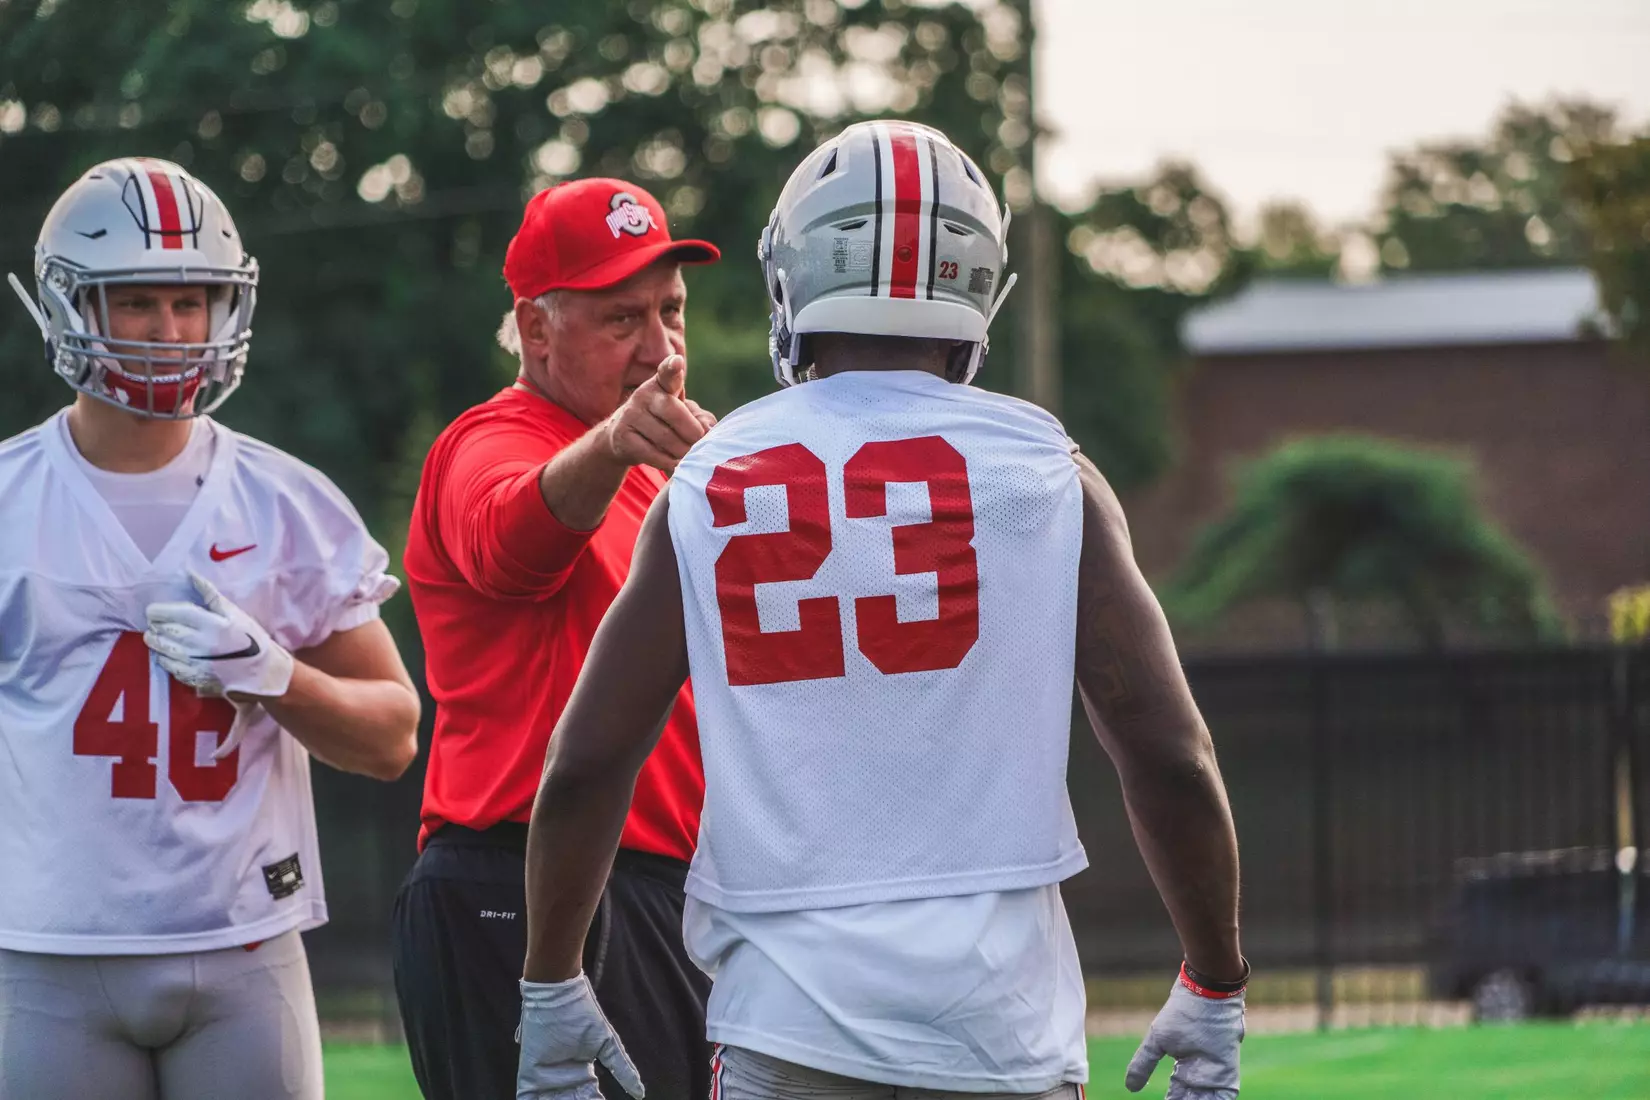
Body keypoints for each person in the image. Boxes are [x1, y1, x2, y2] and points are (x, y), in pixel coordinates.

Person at [515, 120, 1250, 1100]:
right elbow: (1168, 752)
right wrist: (1214, 977)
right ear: (980, 288)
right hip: (1002, 1031)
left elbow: (588, 759)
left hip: (786, 1027)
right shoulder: (1046, 470)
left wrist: (552, 981)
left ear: (795, 278)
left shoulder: (714, 478)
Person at [0, 157, 420, 1100]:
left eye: (191, 301)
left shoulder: (286, 502)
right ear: (72, 308)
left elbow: (394, 736)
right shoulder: (8, 499)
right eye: (136, 302)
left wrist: (277, 676)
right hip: (46, 954)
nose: (170, 330)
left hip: (242, 946)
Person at [393, 177, 721, 1100]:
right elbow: (510, 541)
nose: (660, 349)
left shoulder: (655, 470)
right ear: (537, 330)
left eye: (671, 311)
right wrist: (614, 442)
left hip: (653, 890)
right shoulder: (489, 441)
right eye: (622, 319)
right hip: (517, 886)